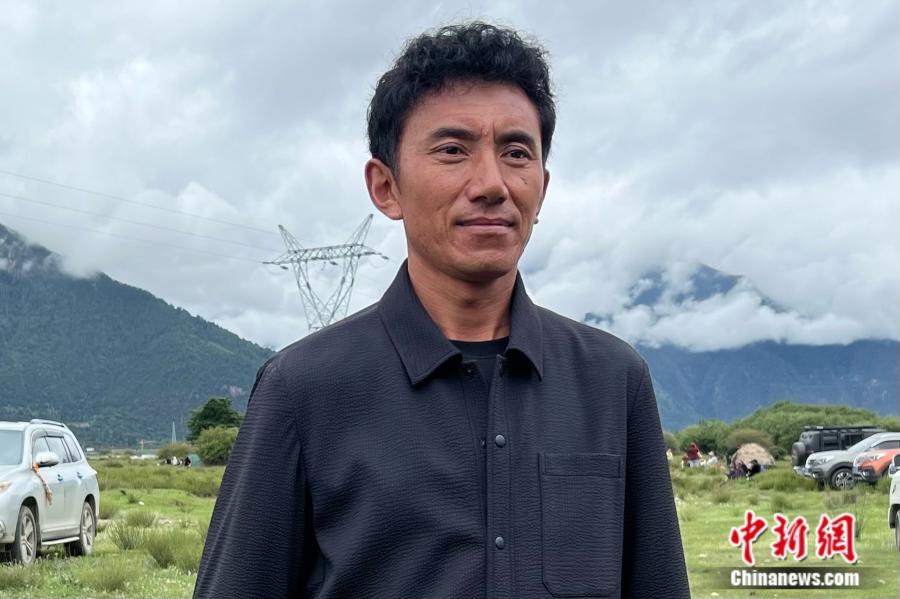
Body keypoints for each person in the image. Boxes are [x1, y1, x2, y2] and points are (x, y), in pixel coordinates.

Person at [193, 21, 689, 599]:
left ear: (542, 188)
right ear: (386, 187)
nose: (492, 184)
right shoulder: (303, 388)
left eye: (516, 153)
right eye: (453, 150)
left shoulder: (613, 380)